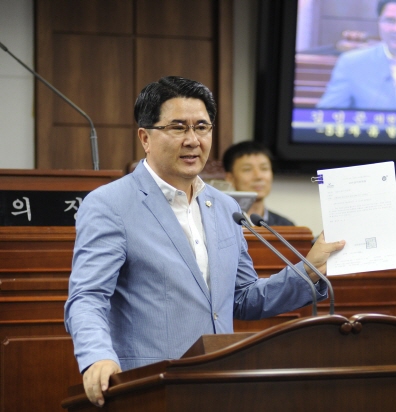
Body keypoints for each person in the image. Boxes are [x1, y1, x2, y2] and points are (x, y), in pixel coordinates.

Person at [64, 76, 345, 407]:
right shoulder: (110, 204)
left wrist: (309, 270)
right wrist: (97, 357)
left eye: (202, 127)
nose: (193, 140)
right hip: (150, 388)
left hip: (220, 385)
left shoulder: (225, 206)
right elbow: (87, 297)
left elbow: (242, 297)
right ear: (145, 138)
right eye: (178, 127)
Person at [222, 141, 295, 226]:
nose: (258, 176)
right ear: (230, 178)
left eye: (264, 168)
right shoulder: (221, 224)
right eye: (247, 169)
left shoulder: (286, 225)